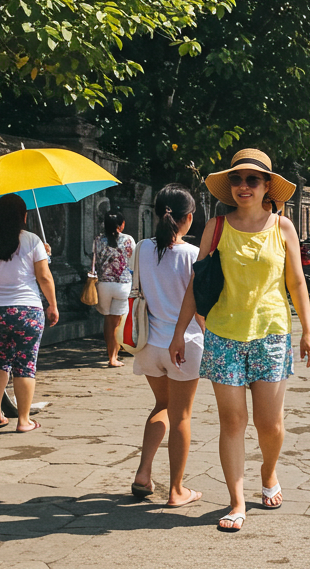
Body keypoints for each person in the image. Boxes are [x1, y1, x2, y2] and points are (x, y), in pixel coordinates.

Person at [170, 148, 310, 533]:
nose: (243, 186)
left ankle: (269, 474)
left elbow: (297, 282)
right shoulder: (216, 227)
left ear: (268, 186)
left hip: (271, 333)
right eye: (236, 179)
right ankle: (236, 501)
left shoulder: (284, 227)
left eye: (252, 180)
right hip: (222, 335)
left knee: (269, 424)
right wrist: (179, 333)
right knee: (232, 420)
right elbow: (196, 284)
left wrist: (309, 330)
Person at [131, 184, 203, 507]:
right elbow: (199, 307)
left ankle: (143, 474)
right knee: (181, 416)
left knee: (162, 406)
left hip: (149, 345)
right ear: (188, 219)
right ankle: (177, 490)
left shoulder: (141, 249)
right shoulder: (192, 255)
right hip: (183, 346)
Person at [0, 194, 58, 433]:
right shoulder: (32, 240)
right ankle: (23, 420)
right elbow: (44, 277)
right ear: (23, 216)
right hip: (27, 311)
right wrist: (52, 304)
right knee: (25, 365)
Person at [92, 211, 135, 367]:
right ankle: (113, 357)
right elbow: (133, 261)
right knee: (117, 323)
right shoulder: (128, 239)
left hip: (103, 284)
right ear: (121, 225)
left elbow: (94, 260)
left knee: (108, 320)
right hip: (123, 284)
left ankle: (110, 353)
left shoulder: (98, 240)